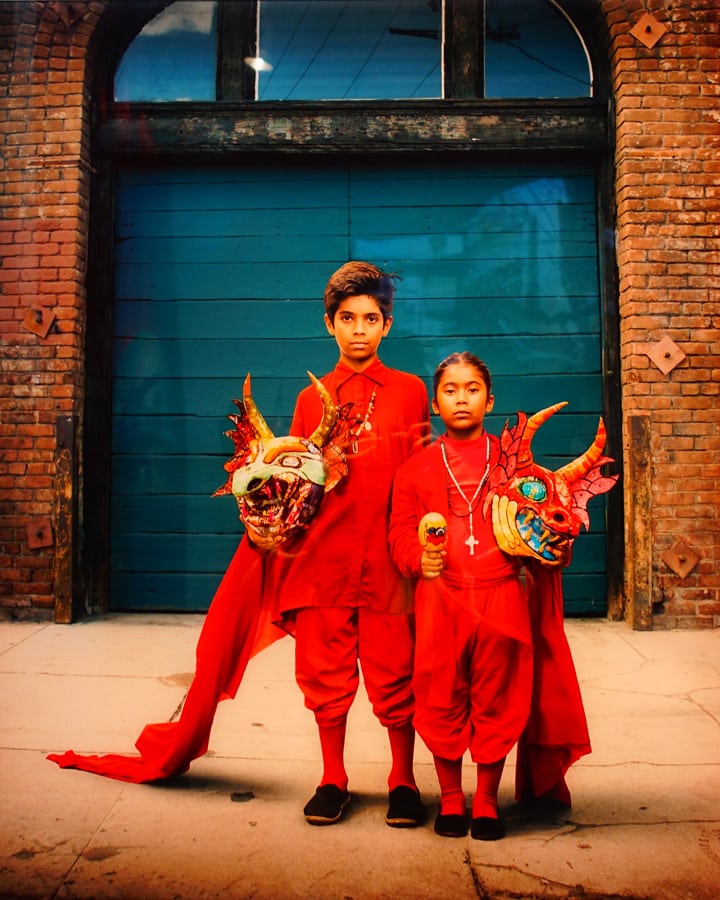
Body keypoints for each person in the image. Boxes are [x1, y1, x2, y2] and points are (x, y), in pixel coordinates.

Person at [389, 351, 591, 841]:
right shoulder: (414, 470)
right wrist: (419, 558)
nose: (462, 398)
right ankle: (451, 800)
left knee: (498, 698)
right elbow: (398, 534)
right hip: (442, 599)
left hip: (502, 596)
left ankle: (485, 801)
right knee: (439, 695)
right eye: (451, 390)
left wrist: (551, 547)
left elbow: (545, 521)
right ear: (435, 403)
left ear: (490, 399)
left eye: (472, 389)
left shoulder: (515, 464)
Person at [257, 261, 430, 828]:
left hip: (389, 560)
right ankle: (333, 777)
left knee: (395, 672)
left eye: (371, 318)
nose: (360, 329)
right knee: (325, 675)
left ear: (388, 325)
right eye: (348, 318)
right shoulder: (312, 399)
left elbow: (424, 475)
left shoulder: (409, 391)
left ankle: (402, 778)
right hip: (323, 561)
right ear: (329, 324)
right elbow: (295, 483)